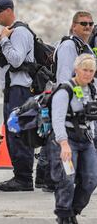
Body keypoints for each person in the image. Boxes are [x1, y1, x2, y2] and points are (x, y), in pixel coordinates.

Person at [36, 11, 95, 192]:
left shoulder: (85, 47)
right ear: (73, 26)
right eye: (83, 23)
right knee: (58, 138)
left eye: (90, 24)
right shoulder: (70, 46)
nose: (87, 27)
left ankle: (45, 178)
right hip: (67, 100)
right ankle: (48, 180)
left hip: (80, 102)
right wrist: (70, 100)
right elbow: (64, 76)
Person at [0, 0, 35, 192]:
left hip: (20, 92)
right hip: (12, 91)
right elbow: (4, 63)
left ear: (8, 11)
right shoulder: (10, 33)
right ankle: (20, 175)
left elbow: (16, 61)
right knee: (13, 133)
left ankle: (24, 178)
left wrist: (5, 39)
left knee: (19, 133)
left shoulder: (20, 32)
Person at [49, 54, 97, 224]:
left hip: (86, 140)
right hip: (66, 141)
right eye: (85, 70)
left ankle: (73, 211)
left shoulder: (92, 89)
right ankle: (63, 215)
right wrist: (63, 144)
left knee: (91, 180)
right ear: (76, 70)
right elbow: (58, 119)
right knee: (67, 180)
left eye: (92, 71)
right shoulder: (64, 91)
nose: (88, 74)